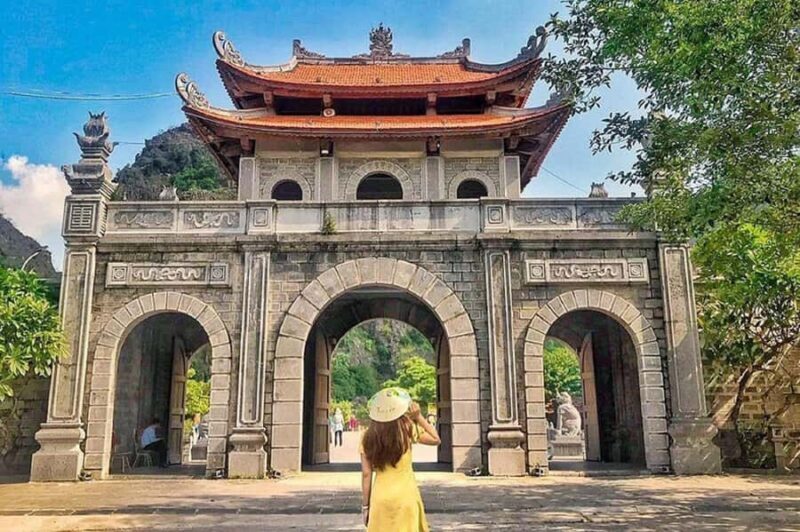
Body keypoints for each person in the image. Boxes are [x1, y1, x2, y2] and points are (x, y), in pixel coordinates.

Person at [360, 387, 440, 531]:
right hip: (406, 496)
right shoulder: (407, 430)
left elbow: (366, 474)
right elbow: (436, 439)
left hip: (380, 499)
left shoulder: (367, 437)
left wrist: (365, 507)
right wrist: (418, 417)